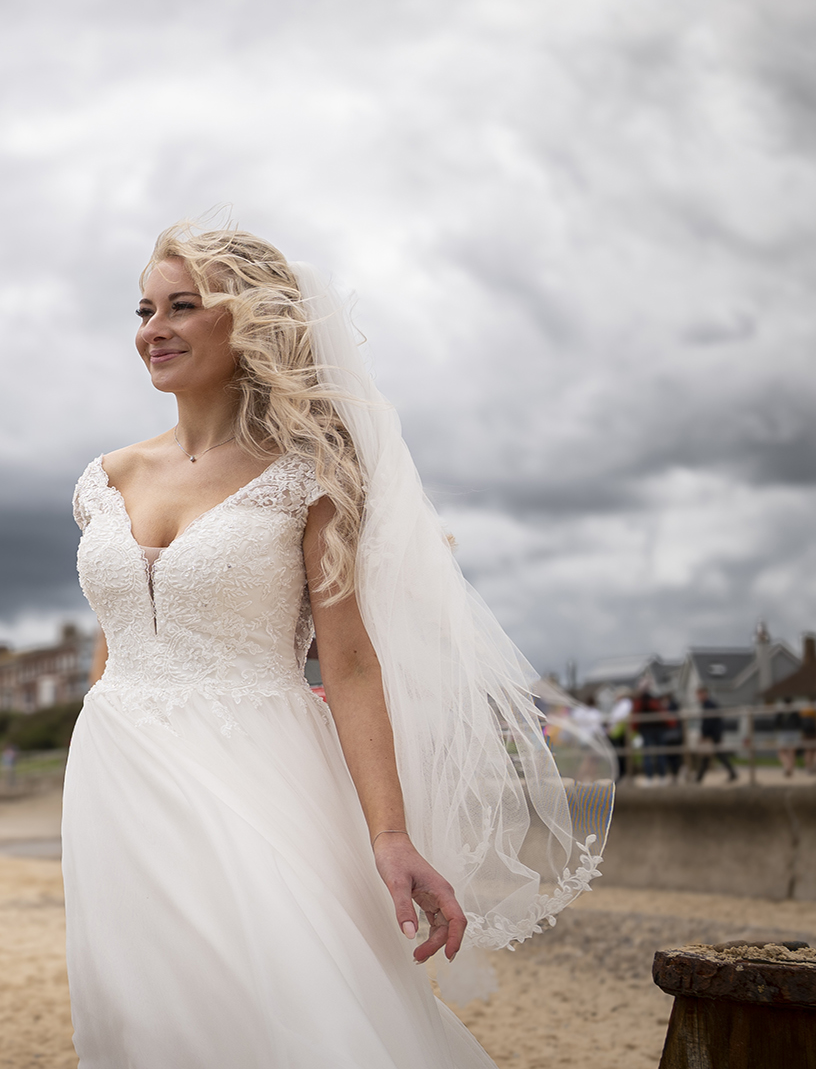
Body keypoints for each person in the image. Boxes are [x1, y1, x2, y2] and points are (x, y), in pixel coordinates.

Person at [63, 225, 608, 1067]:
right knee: (150, 1017)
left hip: (257, 769)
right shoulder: (106, 478)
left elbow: (349, 665)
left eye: (183, 306)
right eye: (145, 309)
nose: (154, 328)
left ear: (249, 324)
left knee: (293, 1004)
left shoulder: (311, 473)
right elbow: (117, 635)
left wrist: (390, 836)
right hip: (115, 776)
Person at [692, 688, 737, 783]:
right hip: (713, 735)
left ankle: (698, 778)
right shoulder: (709, 704)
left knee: (710, 756)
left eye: (699, 695)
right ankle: (732, 773)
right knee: (712, 756)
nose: (698, 697)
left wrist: (704, 734)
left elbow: (709, 722)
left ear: (704, 694)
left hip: (712, 736)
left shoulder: (709, 705)